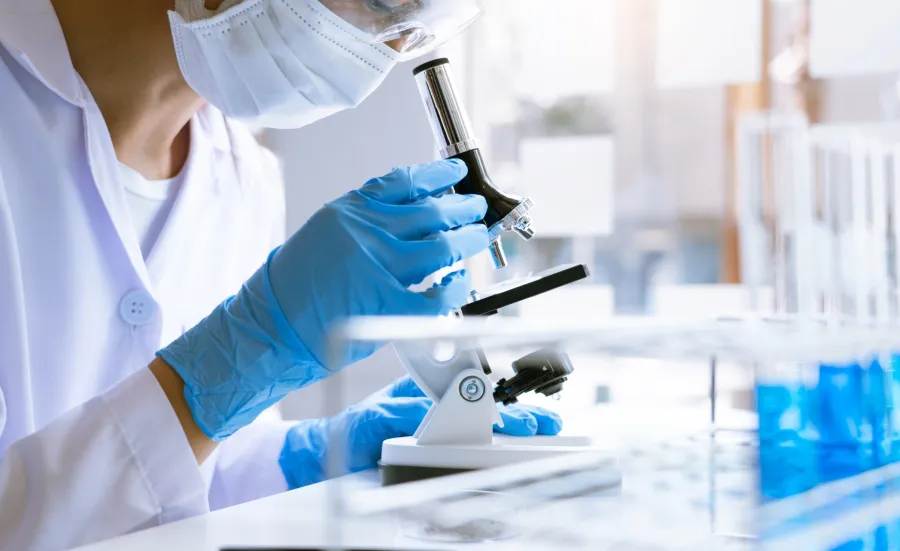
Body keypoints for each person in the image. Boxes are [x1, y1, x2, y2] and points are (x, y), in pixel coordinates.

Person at [0, 0, 562, 549]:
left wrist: (309, 458)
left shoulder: (246, 175)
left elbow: (187, 475)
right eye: (383, 4)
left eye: (415, 29)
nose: (388, 49)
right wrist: (230, 368)